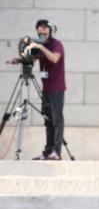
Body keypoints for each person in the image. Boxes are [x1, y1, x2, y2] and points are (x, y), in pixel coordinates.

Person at [26, 20, 65, 161]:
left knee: (57, 120)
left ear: (50, 31)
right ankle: (48, 151)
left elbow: (54, 58)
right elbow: (32, 59)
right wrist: (22, 57)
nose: (42, 36)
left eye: (45, 33)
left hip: (56, 88)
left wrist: (41, 47)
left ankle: (56, 152)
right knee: (48, 121)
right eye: (40, 33)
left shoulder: (56, 44)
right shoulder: (40, 44)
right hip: (46, 89)